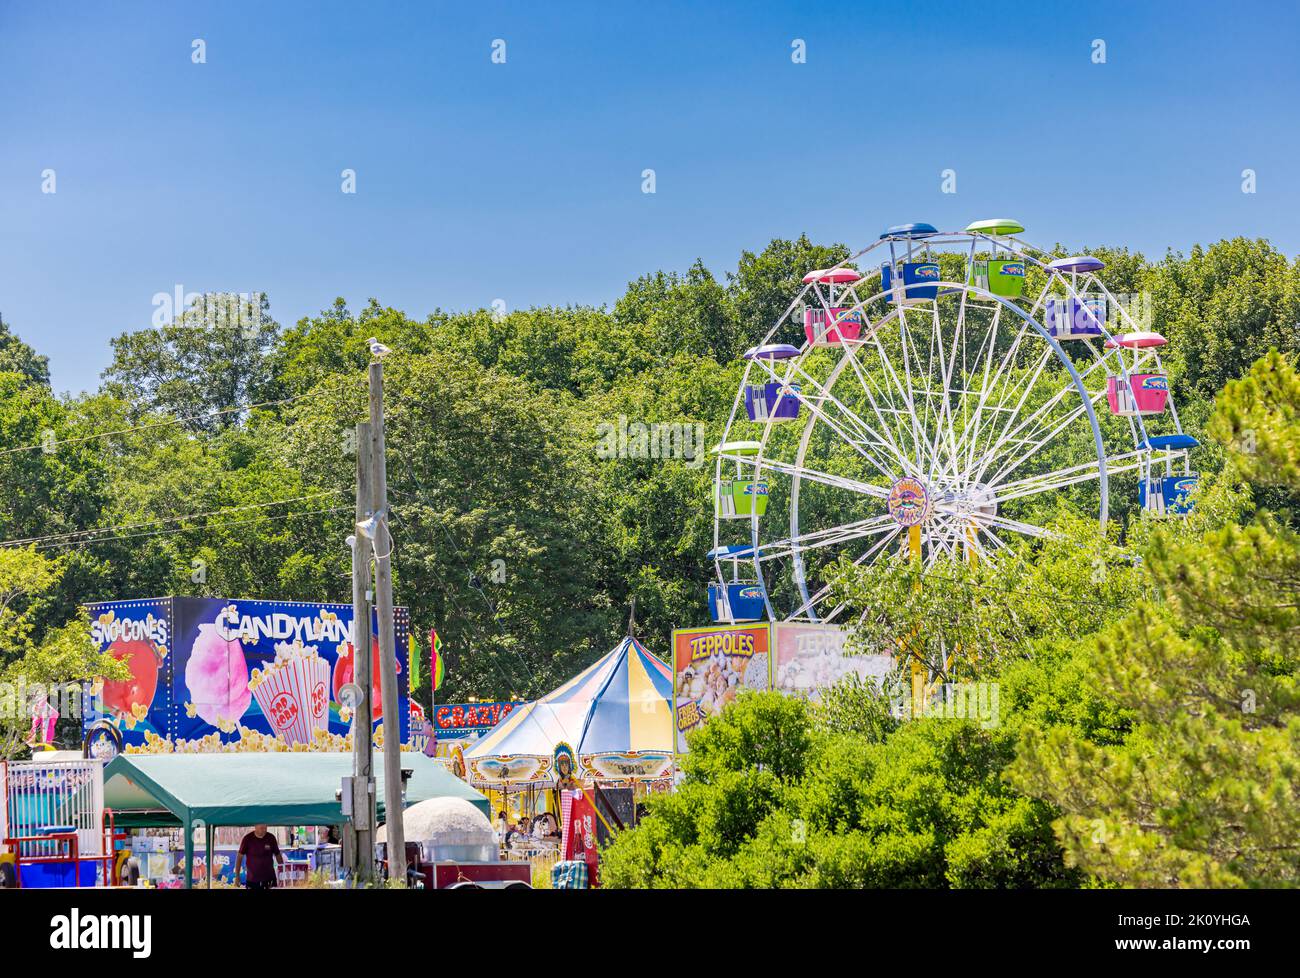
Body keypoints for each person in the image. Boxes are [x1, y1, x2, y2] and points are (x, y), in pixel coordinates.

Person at [235, 824, 284, 889]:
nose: (263, 830)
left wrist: (283, 873)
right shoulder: (247, 839)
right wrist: (237, 876)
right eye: (261, 828)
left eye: (265, 828)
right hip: (252, 880)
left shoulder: (271, 838)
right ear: (255, 827)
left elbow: (278, 855)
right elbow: (239, 857)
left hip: (269, 879)